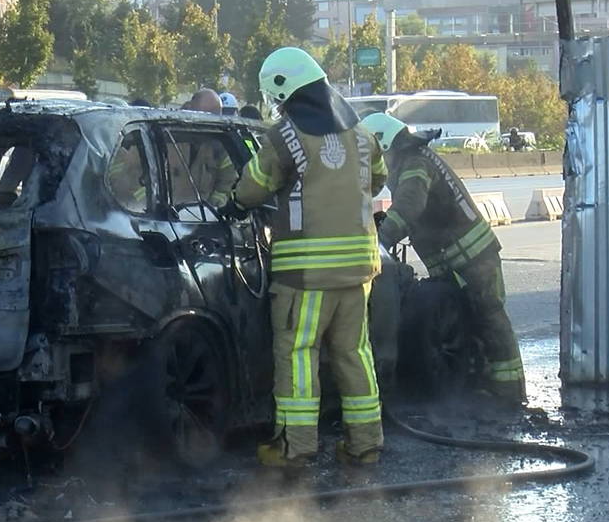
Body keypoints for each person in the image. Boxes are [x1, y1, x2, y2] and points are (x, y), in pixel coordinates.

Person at [225, 48, 387, 467]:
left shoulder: (285, 136)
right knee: (355, 353)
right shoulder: (361, 133)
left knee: (298, 355)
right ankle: (364, 444)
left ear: (283, 89)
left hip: (306, 275)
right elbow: (379, 177)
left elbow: (254, 187)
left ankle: (294, 450)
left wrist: (233, 204)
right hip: (358, 271)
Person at [359, 112, 525, 404]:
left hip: (472, 259)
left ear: (383, 145)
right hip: (461, 259)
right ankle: (483, 385)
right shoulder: (416, 158)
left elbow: (409, 208)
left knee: (489, 318)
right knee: (471, 322)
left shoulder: (414, 165)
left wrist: (379, 240)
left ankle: (509, 392)